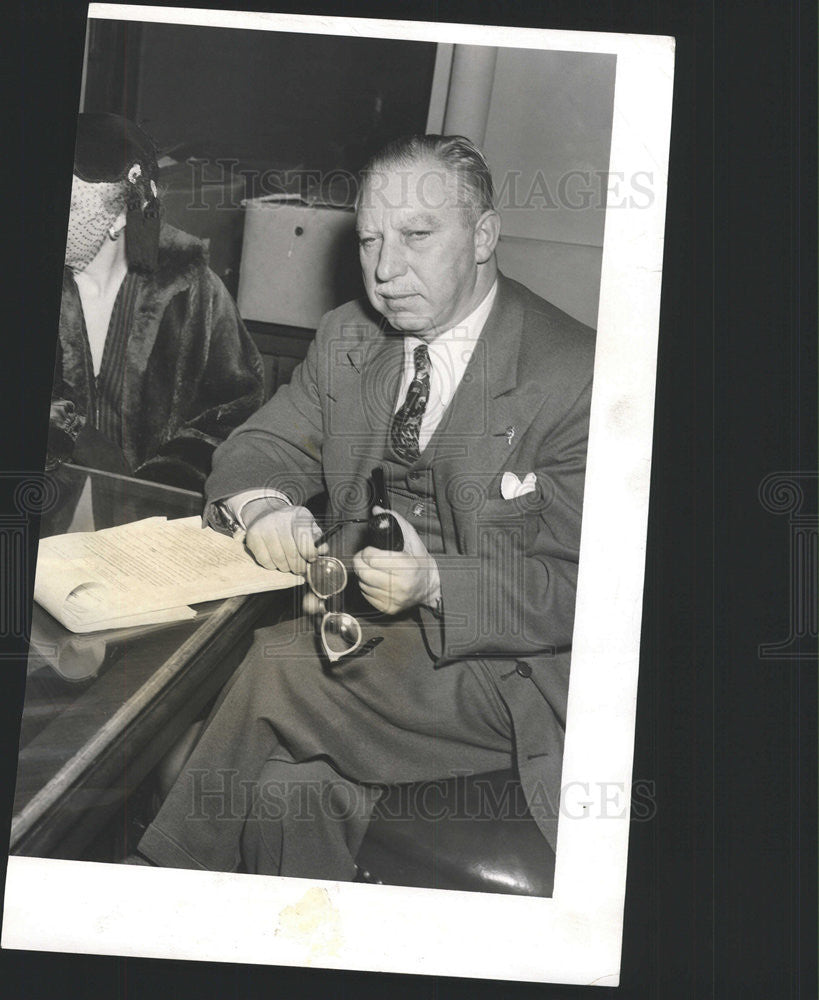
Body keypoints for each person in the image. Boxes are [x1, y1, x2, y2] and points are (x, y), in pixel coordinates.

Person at [135, 134, 596, 886]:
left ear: (483, 237)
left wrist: (434, 582)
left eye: (417, 237)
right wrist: (264, 510)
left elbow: (585, 594)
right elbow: (258, 448)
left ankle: (153, 885)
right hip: (366, 646)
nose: (385, 270)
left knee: (279, 665)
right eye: (372, 240)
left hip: (505, 674)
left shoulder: (574, 374)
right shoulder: (350, 335)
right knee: (289, 794)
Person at [48, 112, 264, 492]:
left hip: (154, 522)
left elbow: (233, 411)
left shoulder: (193, 293)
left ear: (119, 217)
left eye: (69, 206)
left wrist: (162, 486)